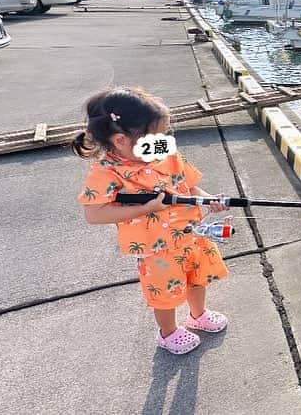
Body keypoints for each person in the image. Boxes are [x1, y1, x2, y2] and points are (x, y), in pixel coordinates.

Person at [73, 87, 229, 355]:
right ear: (121, 140)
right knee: (164, 291)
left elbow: (188, 186)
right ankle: (168, 333)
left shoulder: (164, 153)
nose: (161, 141)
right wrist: (145, 208)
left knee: (196, 277)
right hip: (155, 247)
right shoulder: (106, 172)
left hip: (191, 233)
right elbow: (94, 213)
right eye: (153, 136)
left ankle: (198, 314)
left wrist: (208, 199)